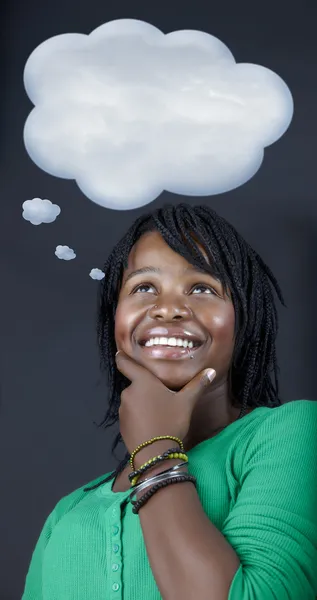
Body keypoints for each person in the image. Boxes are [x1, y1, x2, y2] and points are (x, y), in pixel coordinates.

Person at [22, 203, 317, 599]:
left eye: (202, 288)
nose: (168, 309)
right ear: (117, 321)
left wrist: (156, 450)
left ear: (244, 321)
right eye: (144, 288)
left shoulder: (291, 434)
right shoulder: (68, 515)